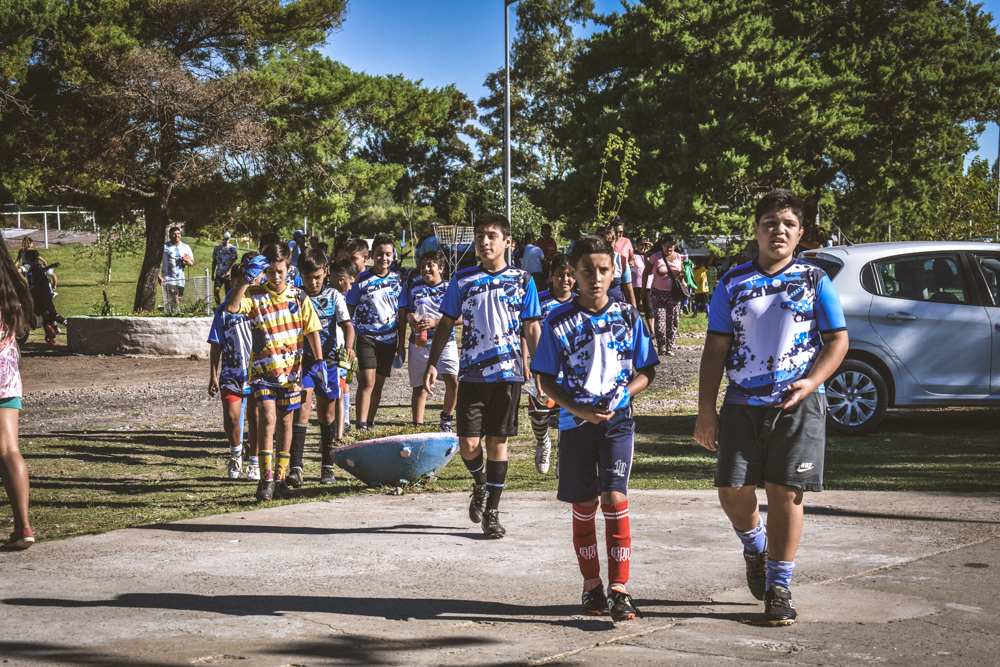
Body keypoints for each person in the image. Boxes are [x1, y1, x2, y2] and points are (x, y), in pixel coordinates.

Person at [694, 189, 849, 626]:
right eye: (769, 223)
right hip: (742, 403)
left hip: (797, 404)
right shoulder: (732, 283)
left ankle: (779, 587)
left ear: (800, 233)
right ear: (757, 230)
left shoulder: (815, 280)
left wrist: (813, 381)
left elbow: (838, 340)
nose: (778, 230)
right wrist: (707, 411)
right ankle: (754, 546)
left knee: (785, 493)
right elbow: (714, 350)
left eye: (788, 224)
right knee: (732, 492)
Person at [531, 234, 658, 622]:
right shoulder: (557, 320)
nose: (596, 277)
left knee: (615, 500)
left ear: (614, 270)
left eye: (604, 270)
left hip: (618, 423)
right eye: (588, 270)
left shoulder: (628, 316)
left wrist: (623, 395)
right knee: (584, 504)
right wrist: (577, 410)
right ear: (574, 273)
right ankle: (592, 585)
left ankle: (620, 588)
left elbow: (647, 370)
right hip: (575, 425)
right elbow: (545, 381)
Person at [423, 213, 541, 538]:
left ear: (507, 242)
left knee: (497, 443)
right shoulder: (462, 279)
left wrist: (543, 366)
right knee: (468, 444)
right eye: (479, 236)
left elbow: (531, 325)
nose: (485, 241)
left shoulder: (523, 280)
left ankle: (492, 512)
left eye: (491, 235)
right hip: (472, 375)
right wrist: (433, 363)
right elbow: (446, 323)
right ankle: (480, 485)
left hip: (508, 375)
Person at [225, 244, 322, 502]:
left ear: (289, 269)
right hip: (262, 372)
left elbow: (312, 329)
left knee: (286, 423)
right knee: (268, 419)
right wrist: (246, 280)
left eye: (280, 271)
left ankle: (280, 479)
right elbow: (232, 308)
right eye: (269, 272)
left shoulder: (299, 297)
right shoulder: (254, 294)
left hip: (291, 373)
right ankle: (265, 479)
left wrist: (320, 360)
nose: (275, 277)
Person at [289, 249, 355, 487]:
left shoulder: (334, 295)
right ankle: (295, 467)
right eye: (308, 278)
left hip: (327, 362)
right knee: (302, 411)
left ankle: (327, 467)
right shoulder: (294, 296)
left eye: (317, 277)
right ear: (300, 276)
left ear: (325, 273)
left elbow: (348, 326)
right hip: (301, 363)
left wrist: (349, 347)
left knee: (327, 415)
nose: (313, 282)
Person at [207, 251, 260, 481]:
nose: (242, 287)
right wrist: (213, 375)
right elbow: (216, 344)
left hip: (258, 372)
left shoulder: (259, 304)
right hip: (231, 372)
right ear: (232, 284)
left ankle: (255, 460)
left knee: (257, 418)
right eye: (238, 283)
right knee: (231, 416)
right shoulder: (224, 310)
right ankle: (236, 453)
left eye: (246, 282)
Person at [0, 234, 35, 549]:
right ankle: (23, 526)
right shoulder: (10, 284)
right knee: (10, 449)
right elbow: (23, 330)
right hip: (7, 375)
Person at [346, 233, 402, 431]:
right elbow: (348, 313)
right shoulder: (361, 280)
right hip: (366, 337)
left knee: (378, 385)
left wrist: (401, 343)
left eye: (388, 254)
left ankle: (370, 423)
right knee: (367, 382)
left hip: (389, 339)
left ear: (393, 256)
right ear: (371, 256)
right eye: (379, 254)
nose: (384, 258)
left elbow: (401, 312)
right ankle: (360, 426)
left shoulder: (398, 279)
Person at [398, 250, 458, 431]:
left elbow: (461, 316)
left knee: (453, 382)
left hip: (446, 342)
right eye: (422, 265)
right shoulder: (414, 287)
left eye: (430, 265)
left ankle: (446, 419)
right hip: (419, 342)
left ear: (441, 268)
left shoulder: (450, 287)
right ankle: (418, 424)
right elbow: (408, 310)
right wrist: (411, 318)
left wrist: (435, 323)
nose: (425, 269)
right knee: (419, 385)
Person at [528, 254, 574, 475]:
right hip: (544, 367)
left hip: (571, 371)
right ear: (550, 276)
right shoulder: (539, 299)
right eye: (560, 275)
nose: (565, 280)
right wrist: (529, 362)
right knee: (540, 414)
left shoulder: (580, 302)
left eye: (570, 275)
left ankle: (563, 456)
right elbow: (528, 331)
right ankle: (543, 442)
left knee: (567, 415)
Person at [330, 259, 359, 435]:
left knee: (340, 391)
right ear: (341, 280)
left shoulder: (339, 296)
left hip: (339, 350)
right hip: (333, 352)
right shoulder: (333, 296)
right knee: (336, 395)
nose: (350, 288)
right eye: (349, 284)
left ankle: (339, 431)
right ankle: (336, 433)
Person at [644, 234, 683, 356]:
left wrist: (682, 278)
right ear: (662, 245)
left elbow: (683, 275)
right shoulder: (655, 257)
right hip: (657, 293)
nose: (669, 249)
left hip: (674, 294)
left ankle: (670, 346)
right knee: (660, 319)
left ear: (675, 246)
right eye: (666, 246)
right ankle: (662, 345)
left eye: (671, 246)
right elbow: (646, 273)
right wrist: (643, 290)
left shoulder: (679, 258)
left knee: (672, 320)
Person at [22, 250, 66, 345]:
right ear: (37, 258)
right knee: (52, 312)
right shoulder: (36, 266)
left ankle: (48, 337)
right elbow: (40, 270)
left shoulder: (29, 270)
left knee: (44, 315)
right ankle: (52, 326)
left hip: (34, 295)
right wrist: (50, 266)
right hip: (43, 294)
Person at [596, 226, 636, 308]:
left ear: (615, 242)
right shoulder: (589, 260)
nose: (609, 246)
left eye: (611, 242)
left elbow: (629, 292)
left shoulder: (621, 261)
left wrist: (634, 315)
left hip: (617, 311)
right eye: (605, 242)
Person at [159, 226, 194, 312]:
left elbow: (192, 262)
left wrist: (185, 262)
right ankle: (177, 313)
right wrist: (159, 277)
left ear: (180, 235)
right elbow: (156, 264)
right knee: (174, 296)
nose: (176, 236)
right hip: (168, 278)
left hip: (180, 279)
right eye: (173, 234)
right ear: (170, 235)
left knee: (176, 298)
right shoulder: (165, 247)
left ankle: (163, 308)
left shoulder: (186, 247)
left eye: (178, 234)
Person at [212, 232, 238, 305]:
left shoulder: (232, 248)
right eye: (224, 239)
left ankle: (227, 305)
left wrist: (229, 271)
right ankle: (218, 306)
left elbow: (234, 261)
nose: (226, 241)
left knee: (228, 292)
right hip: (219, 272)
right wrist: (212, 273)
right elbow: (214, 261)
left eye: (227, 239)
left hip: (228, 274)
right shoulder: (217, 248)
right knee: (216, 290)